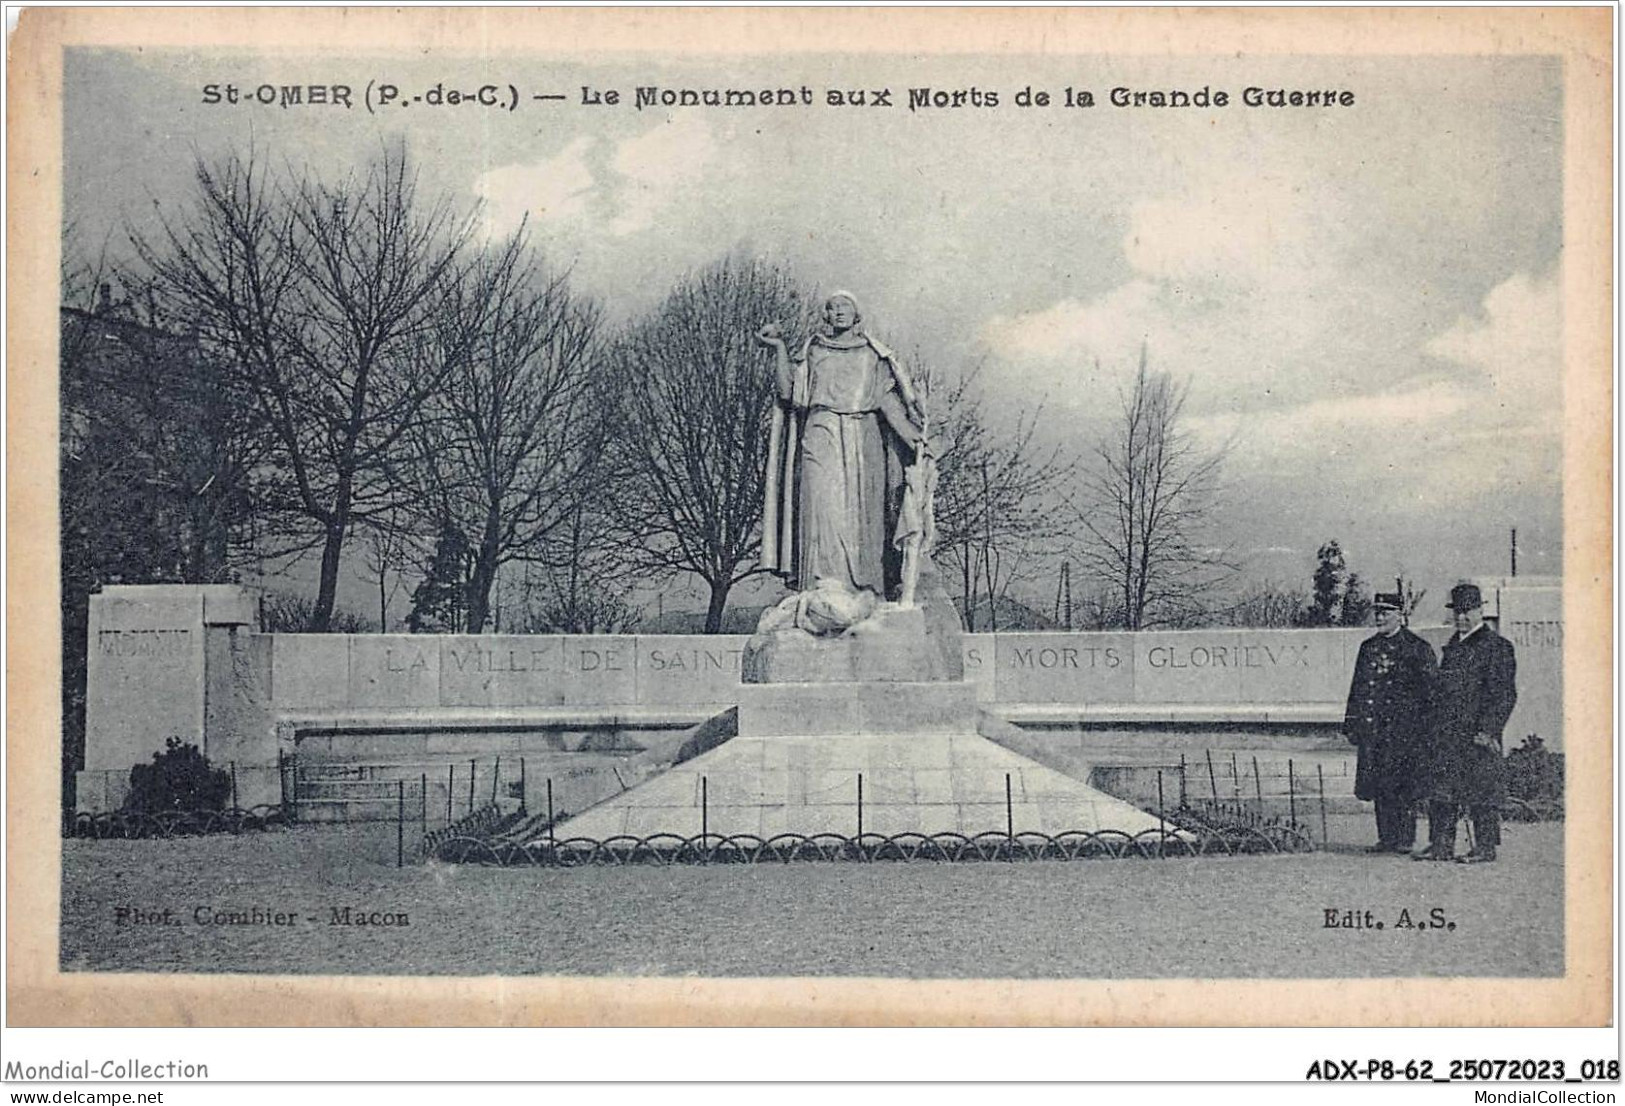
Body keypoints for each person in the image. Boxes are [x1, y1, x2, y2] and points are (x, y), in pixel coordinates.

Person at [755, 293, 926, 604]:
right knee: (823, 509)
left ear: (856, 312)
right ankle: (818, 590)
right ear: (827, 315)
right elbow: (788, 392)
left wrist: (917, 442)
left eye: (845, 306)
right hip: (820, 434)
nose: (839, 312)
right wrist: (779, 348)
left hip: (863, 438)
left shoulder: (874, 355)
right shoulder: (814, 351)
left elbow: (889, 404)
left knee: (863, 518)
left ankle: (865, 593)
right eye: (833, 308)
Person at [1414, 583, 1518, 864]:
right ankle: (1441, 845)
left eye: (1467, 612)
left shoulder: (1497, 647)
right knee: (1443, 790)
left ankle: (1485, 848)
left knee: (1481, 792)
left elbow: (1504, 694)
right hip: (1447, 733)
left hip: (1477, 735)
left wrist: (1488, 730)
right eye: (1457, 612)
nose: (1461, 618)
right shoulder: (1453, 647)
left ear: (1480, 611)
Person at [1343, 592, 1436, 854]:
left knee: (1403, 785)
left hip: (1405, 733)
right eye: (1378, 612)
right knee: (1380, 784)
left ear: (1399, 615)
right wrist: (1352, 723)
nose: (1380, 617)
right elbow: (1358, 688)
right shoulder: (1368, 647)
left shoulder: (1417, 647)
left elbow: (1430, 693)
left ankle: (1405, 839)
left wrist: (1425, 730)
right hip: (1375, 731)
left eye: (1386, 612)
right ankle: (1386, 838)